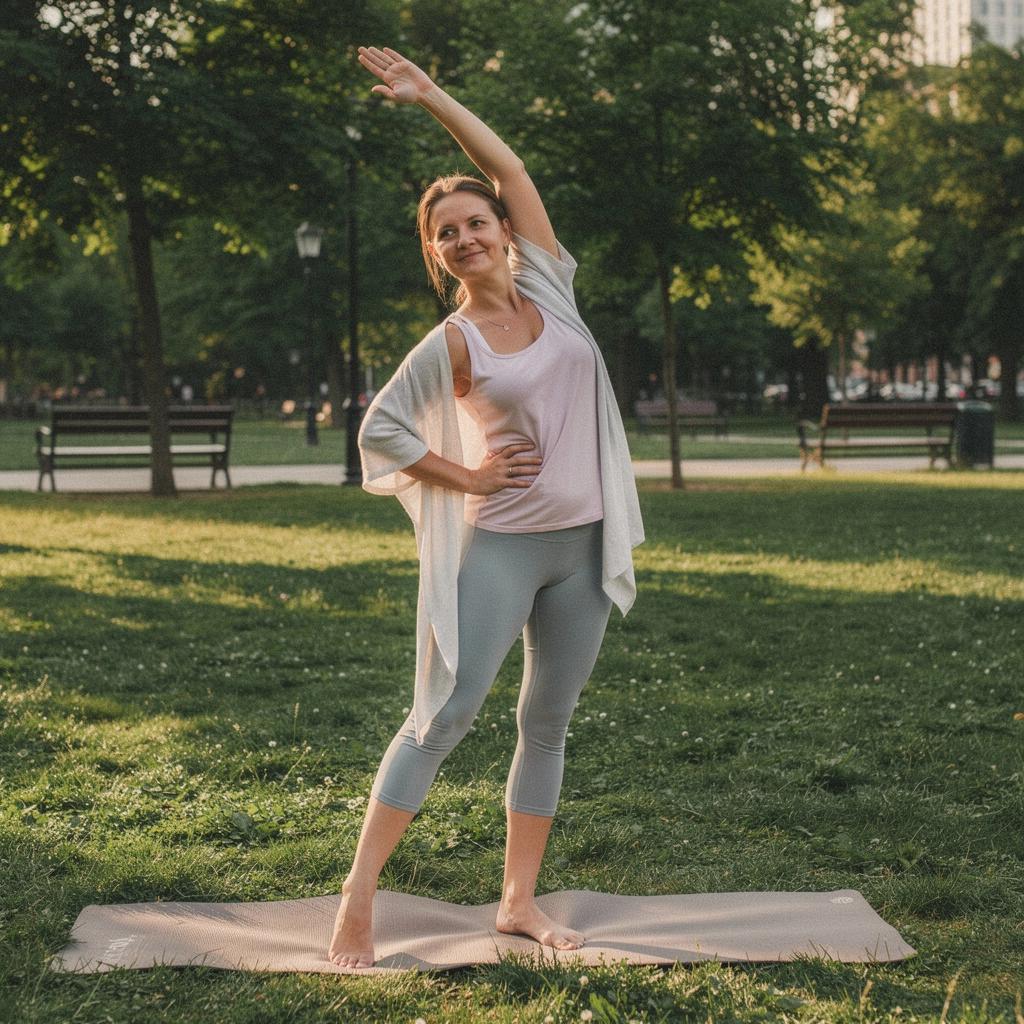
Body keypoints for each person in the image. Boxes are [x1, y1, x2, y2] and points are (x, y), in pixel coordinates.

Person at [328, 45, 645, 969]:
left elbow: (507, 166)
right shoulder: (453, 342)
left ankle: (517, 902)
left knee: (547, 724)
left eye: (476, 223)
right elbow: (380, 434)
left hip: (581, 550)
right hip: (501, 550)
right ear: (437, 256)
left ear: (504, 231)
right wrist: (466, 479)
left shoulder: (550, 280)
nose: (465, 238)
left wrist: (429, 97)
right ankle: (357, 899)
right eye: (446, 235)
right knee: (442, 715)